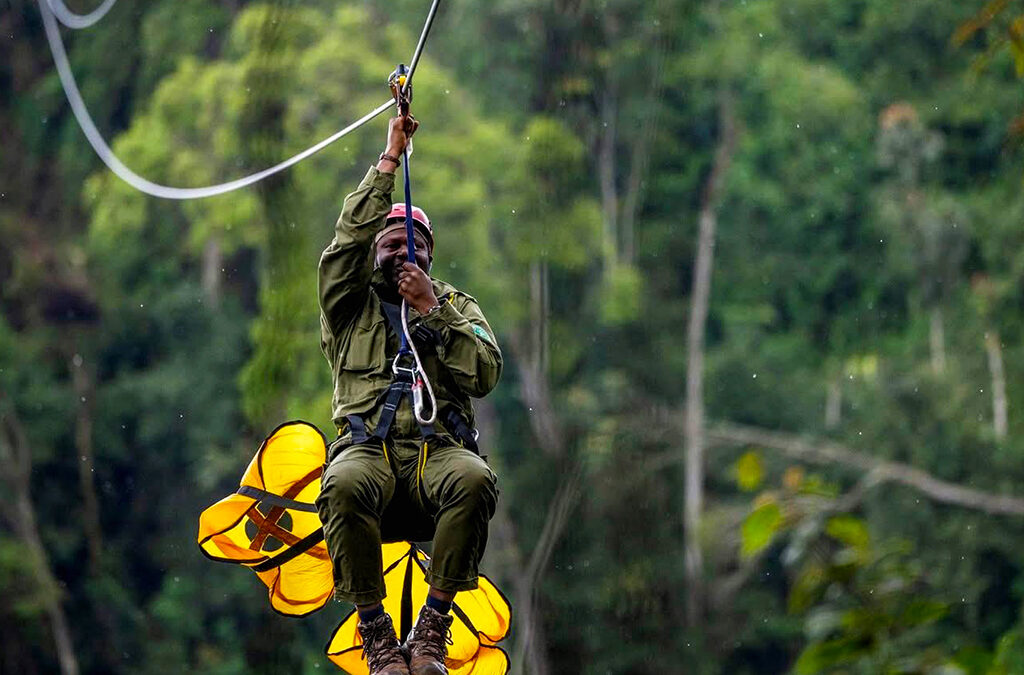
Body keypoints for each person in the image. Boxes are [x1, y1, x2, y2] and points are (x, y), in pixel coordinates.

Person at [315, 112, 501, 675]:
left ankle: (431, 630)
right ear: (375, 252)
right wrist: (388, 161)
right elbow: (344, 247)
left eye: (414, 247)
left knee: (474, 478)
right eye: (391, 246)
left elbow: (485, 372)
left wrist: (431, 309)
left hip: (436, 457)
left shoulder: (455, 304)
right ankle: (376, 634)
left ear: (431, 257)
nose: (402, 256)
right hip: (367, 453)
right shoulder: (349, 307)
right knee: (342, 483)